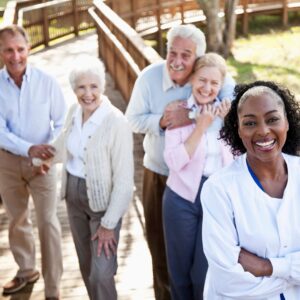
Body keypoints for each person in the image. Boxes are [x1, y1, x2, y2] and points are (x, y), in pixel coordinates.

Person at [125, 24, 235, 299]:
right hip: (159, 172)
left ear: (197, 59)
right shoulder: (148, 78)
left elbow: (232, 98)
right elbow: (132, 120)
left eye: (186, 55)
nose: (177, 60)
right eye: (172, 52)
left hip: (204, 183)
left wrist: (198, 115)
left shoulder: (205, 80)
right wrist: (163, 120)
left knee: (201, 263)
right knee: (160, 249)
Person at [40, 55, 134, 300]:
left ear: (102, 86)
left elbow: (124, 182)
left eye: (94, 86)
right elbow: (64, 144)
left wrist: (108, 224)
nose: (88, 93)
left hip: (104, 206)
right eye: (81, 87)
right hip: (73, 196)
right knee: (85, 264)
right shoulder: (74, 111)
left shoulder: (116, 122)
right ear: (74, 89)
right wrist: (43, 158)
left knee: (101, 273)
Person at [201, 81, 300, 299]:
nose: (263, 131)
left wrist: (268, 267)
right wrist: (293, 279)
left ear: (287, 123)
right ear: (238, 129)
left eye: (273, 119)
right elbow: (227, 282)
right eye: (250, 123)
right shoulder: (218, 189)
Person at [0, 25, 65, 299]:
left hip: (44, 164)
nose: (15, 56)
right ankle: (26, 271)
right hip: (7, 162)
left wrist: (47, 154)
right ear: (1, 52)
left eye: (20, 49)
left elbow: (62, 122)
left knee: (48, 222)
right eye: (8, 50)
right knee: (17, 219)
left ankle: (53, 288)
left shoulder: (47, 82)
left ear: (29, 49)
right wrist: (29, 149)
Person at [163, 53, 233, 300]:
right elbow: (173, 161)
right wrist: (200, 126)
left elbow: (237, 161)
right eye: (202, 80)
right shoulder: (178, 111)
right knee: (179, 273)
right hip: (181, 199)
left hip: (216, 200)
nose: (207, 88)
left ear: (221, 86)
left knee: (204, 273)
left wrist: (229, 125)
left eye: (214, 83)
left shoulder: (227, 115)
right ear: (192, 78)